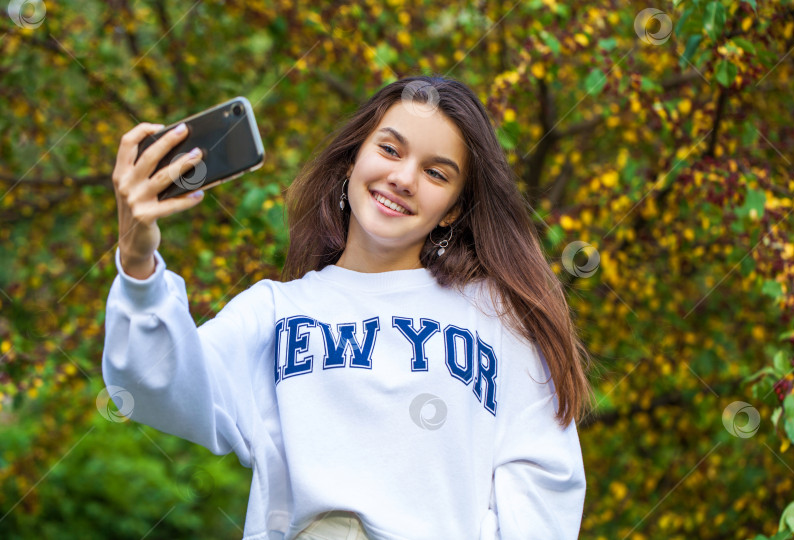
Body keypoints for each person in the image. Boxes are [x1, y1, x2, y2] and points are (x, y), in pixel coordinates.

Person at [102, 75, 595, 540]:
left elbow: (543, 494)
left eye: (435, 173)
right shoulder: (274, 312)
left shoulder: (498, 320)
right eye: (389, 149)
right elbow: (153, 383)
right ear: (352, 162)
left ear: (453, 210)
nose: (403, 178)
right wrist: (138, 258)